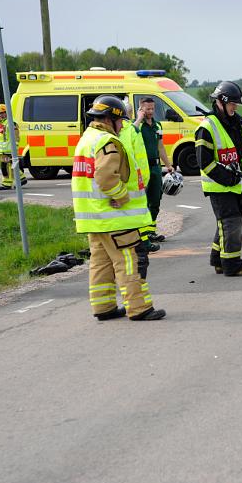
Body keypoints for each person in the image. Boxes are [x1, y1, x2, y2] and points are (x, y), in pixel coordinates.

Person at [71, 94, 165, 321]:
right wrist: (121, 196)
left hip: (94, 218)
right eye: (120, 120)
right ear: (109, 119)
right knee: (128, 261)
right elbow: (105, 177)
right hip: (114, 217)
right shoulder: (107, 141)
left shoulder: (87, 139)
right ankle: (139, 307)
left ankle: (104, 307)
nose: (123, 124)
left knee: (100, 263)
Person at [195, 81, 242, 277]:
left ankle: (217, 260)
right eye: (232, 104)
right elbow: (205, 163)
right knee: (231, 221)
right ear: (220, 102)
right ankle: (232, 265)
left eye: (237, 104)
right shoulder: (207, 127)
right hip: (219, 186)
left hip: (238, 185)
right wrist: (227, 178)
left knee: (227, 222)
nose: (235, 107)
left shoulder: (240, 124)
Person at [119, 99, 158, 260]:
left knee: (136, 212)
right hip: (136, 178)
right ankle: (143, 243)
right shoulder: (131, 129)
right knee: (138, 212)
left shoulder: (125, 129)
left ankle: (142, 241)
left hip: (133, 176)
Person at [133, 97, 174, 244]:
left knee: (156, 199)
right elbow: (131, 133)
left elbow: (160, 147)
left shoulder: (157, 125)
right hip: (142, 169)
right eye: (147, 109)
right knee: (143, 201)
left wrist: (168, 165)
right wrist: (139, 119)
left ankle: (151, 231)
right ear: (141, 109)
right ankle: (142, 234)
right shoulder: (137, 126)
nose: (150, 112)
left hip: (156, 167)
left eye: (152, 109)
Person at [0, 103, 27, 190]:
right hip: (3, 150)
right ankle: (17, 180)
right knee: (8, 166)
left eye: (3, 112)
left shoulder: (11, 122)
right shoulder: (0, 123)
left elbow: (16, 136)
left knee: (7, 166)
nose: (1, 115)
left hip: (9, 149)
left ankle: (13, 182)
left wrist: (15, 146)